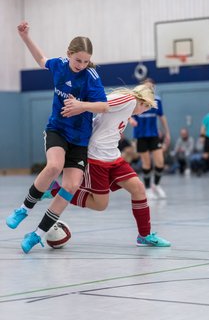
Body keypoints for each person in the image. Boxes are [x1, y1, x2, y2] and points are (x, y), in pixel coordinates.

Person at [6, 21, 108, 253]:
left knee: (71, 185)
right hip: (57, 130)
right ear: (68, 54)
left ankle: (37, 234)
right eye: (78, 60)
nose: (81, 65)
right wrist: (25, 38)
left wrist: (81, 105)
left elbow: (104, 106)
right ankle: (23, 209)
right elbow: (42, 60)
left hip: (80, 139)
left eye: (85, 61)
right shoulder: (60, 65)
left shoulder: (91, 77)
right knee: (54, 167)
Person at [47, 84, 171, 248]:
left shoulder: (129, 108)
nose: (145, 112)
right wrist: (81, 105)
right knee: (100, 204)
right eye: (147, 108)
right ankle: (54, 190)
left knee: (138, 188)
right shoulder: (129, 100)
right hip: (96, 157)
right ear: (144, 103)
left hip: (113, 157)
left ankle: (144, 235)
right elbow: (103, 103)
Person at [129, 78, 171, 200]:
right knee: (146, 163)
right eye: (147, 87)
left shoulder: (157, 100)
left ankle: (156, 185)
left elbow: (162, 117)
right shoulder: (136, 100)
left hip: (153, 135)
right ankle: (147, 189)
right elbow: (126, 113)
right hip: (140, 136)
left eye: (151, 87)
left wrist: (167, 132)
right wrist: (130, 119)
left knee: (160, 162)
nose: (149, 89)